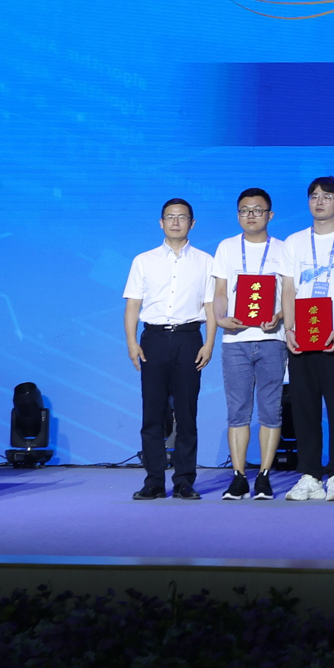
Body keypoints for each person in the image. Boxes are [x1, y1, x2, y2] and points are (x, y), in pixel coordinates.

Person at [122, 198, 216, 500]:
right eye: (170, 217)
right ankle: (153, 481)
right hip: (153, 340)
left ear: (192, 223)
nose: (176, 222)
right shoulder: (143, 260)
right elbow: (133, 306)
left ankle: (184, 481)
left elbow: (210, 307)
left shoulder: (206, 261)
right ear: (161, 223)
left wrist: (209, 343)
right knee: (153, 413)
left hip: (189, 339)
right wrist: (132, 342)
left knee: (187, 413)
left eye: (182, 217)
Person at [209, 188, 296, 500]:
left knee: (271, 410)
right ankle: (238, 476)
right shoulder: (227, 247)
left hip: (272, 339)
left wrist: (281, 315)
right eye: (245, 210)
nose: (251, 216)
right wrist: (220, 317)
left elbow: (289, 292)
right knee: (238, 411)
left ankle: (264, 476)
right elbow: (220, 291)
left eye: (258, 210)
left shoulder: (284, 249)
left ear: (269, 215)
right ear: (238, 215)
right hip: (236, 340)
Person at [282, 177, 334, 502]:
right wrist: (289, 329)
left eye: (327, 197)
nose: (319, 201)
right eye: (314, 196)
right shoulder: (294, 242)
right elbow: (288, 288)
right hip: (301, 337)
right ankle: (310, 475)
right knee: (304, 408)